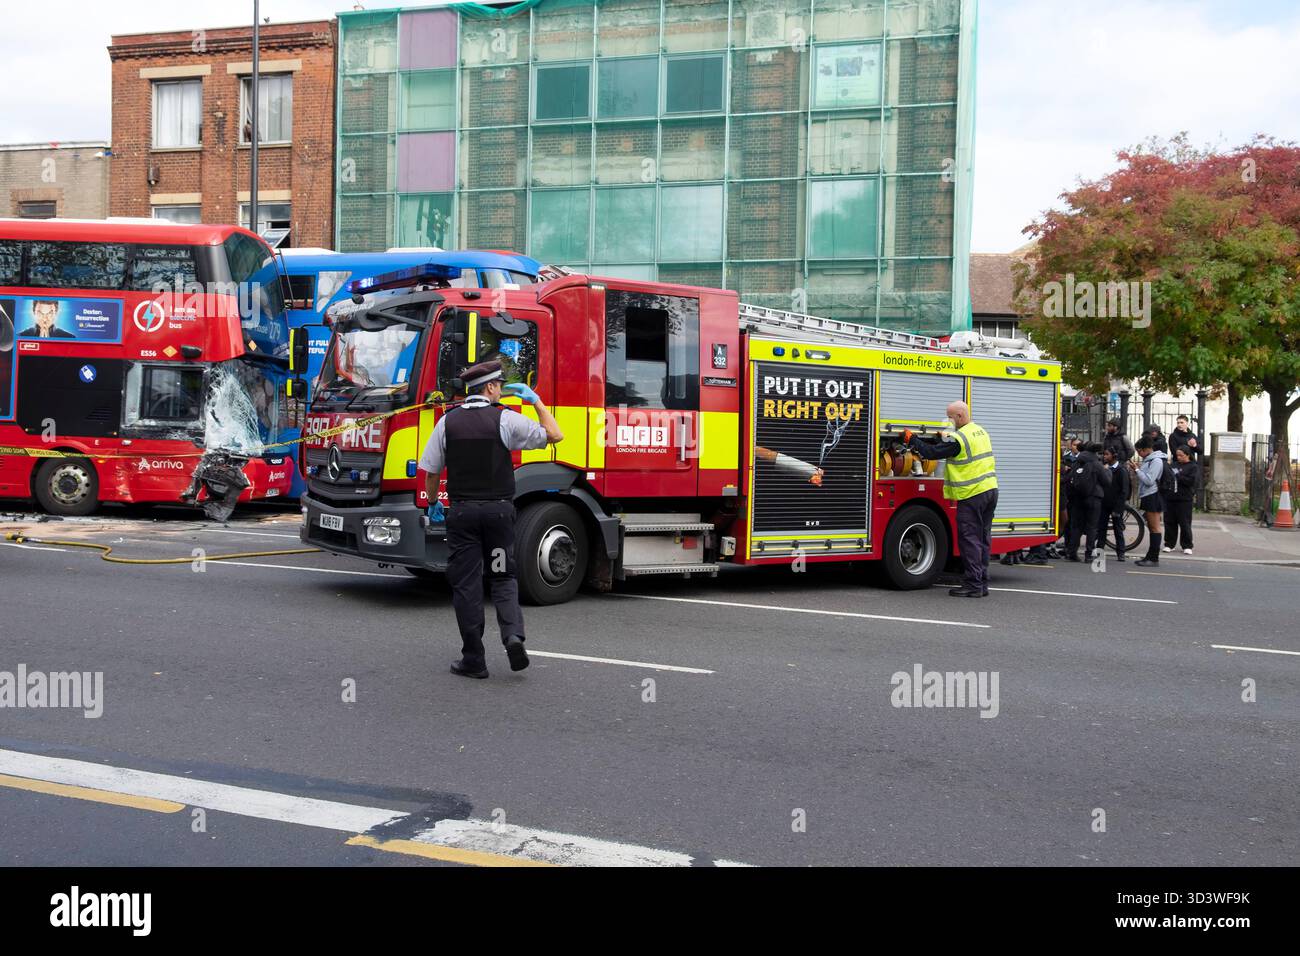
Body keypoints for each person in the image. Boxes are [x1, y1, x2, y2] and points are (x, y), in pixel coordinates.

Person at [418, 358, 564, 679]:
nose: (501, 391)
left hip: (463, 516)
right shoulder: (506, 419)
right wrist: (535, 400)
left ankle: (474, 659)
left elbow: (430, 471)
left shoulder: (447, 422)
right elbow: (555, 434)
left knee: (467, 584)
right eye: (499, 386)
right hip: (498, 516)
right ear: (490, 387)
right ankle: (512, 635)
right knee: (502, 577)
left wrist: (432, 504)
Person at [906, 400, 998, 597]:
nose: (949, 420)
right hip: (989, 490)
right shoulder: (979, 431)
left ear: (960, 416)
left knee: (969, 539)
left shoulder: (960, 439)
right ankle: (981, 583)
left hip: (972, 494)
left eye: (950, 417)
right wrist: (943, 438)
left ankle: (973, 584)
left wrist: (911, 439)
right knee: (982, 539)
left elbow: (931, 453)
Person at [1064, 441, 1109, 562]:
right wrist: (1107, 471)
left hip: (1078, 498)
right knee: (1092, 527)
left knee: (1077, 526)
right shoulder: (1097, 464)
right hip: (1094, 498)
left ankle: (1072, 552)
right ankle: (1089, 555)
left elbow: (1068, 479)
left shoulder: (1077, 462)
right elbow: (1106, 482)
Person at [1130, 436, 1168, 566]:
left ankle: (1153, 558)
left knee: (1155, 527)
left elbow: (1149, 480)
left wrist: (1136, 470)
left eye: (1139, 451)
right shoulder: (1149, 460)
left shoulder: (1156, 461)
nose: (1138, 454)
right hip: (1148, 496)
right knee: (1152, 527)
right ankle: (1150, 556)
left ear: (1146, 449)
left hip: (1153, 495)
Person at [1097, 445, 1132, 561]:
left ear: (1114, 456)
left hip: (1116, 505)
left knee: (1118, 530)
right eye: (1104, 454)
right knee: (1101, 529)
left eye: (1107, 454)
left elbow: (1124, 491)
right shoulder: (1105, 468)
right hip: (1104, 503)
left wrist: (1118, 509)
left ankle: (1121, 553)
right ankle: (1099, 551)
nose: (1104, 456)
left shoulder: (1121, 470)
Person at [1163, 446, 1200, 554]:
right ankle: (1169, 544)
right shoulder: (1173, 465)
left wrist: (1178, 476)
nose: (1178, 457)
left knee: (1185, 523)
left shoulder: (1193, 467)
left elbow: (1192, 481)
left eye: (1181, 455)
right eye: (1177, 455)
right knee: (1170, 522)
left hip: (1184, 499)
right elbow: (1167, 477)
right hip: (1171, 498)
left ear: (1187, 455)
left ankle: (1187, 545)